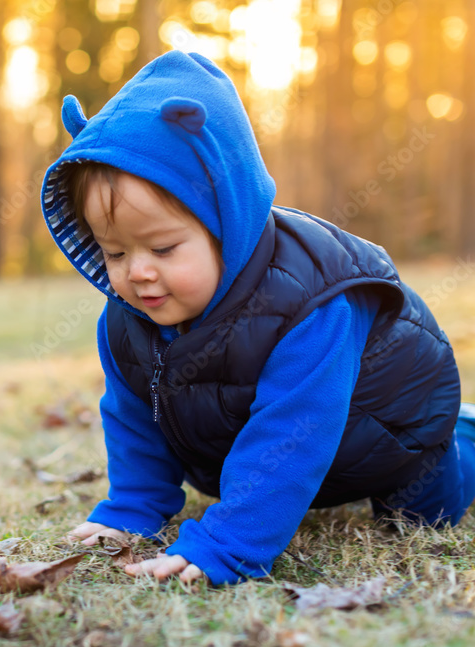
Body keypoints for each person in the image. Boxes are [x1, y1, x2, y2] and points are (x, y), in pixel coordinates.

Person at [40, 50, 475, 586]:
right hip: (277, 439)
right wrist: (131, 509)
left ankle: (465, 435)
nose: (138, 274)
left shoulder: (311, 305)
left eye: (164, 248)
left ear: (229, 223)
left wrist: (230, 543)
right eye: (116, 252)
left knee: (421, 521)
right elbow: (134, 415)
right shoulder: (128, 319)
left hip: (392, 432)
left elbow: (292, 431)